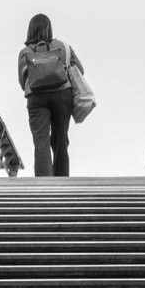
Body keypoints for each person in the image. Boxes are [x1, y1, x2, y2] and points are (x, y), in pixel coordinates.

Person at [17, 12, 83, 178]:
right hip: (62, 95)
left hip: (36, 98)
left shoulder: (25, 52)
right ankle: (62, 179)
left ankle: (43, 182)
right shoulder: (64, 47)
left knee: (41, 141)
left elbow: (22, 81)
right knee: (61, 139)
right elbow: (80, 71)